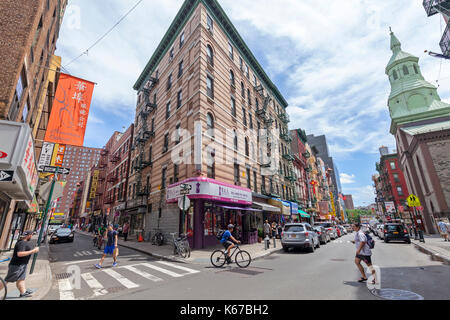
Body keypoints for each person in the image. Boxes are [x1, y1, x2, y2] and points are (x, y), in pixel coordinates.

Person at [4, 231, 39, 298]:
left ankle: (23, 292)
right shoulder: (22, 243)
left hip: (22, 264)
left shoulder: (24, 242)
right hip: (16, 265)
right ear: (28, 235)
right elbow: (20, 254)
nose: (31, 236)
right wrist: (33, 251)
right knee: (7, 280)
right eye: (31, 235)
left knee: (21, 279)